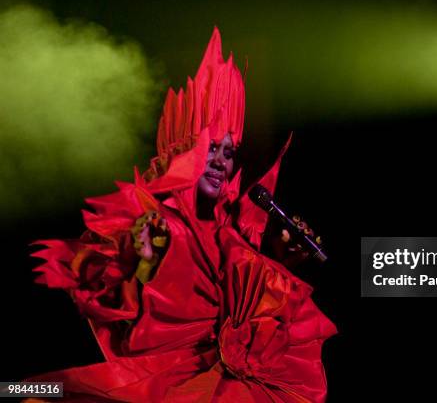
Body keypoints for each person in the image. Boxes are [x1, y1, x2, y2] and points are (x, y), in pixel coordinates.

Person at [29, 27, 336, 402]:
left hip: (234, 390)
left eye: (229, 151)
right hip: (164, 388)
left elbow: (260, 316)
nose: (221, 162)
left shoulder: (237, 229)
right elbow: (123, 323)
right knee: (29, 393)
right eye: (211, 148)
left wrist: (278, 260)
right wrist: (143, 265)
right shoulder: (148, 218)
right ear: (184, 146)